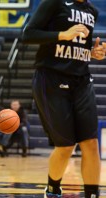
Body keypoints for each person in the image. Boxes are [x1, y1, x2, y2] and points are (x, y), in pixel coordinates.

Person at [22, 0, 106, 197]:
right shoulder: (54, 3)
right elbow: (28, 34)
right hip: (51, 78)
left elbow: (79, 46)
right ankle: (52, 189)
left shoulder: (91, 10)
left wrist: (93, 53)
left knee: (91, 143)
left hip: (82, 80)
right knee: (66, 146)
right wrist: (62, 35)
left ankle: (92, 195)